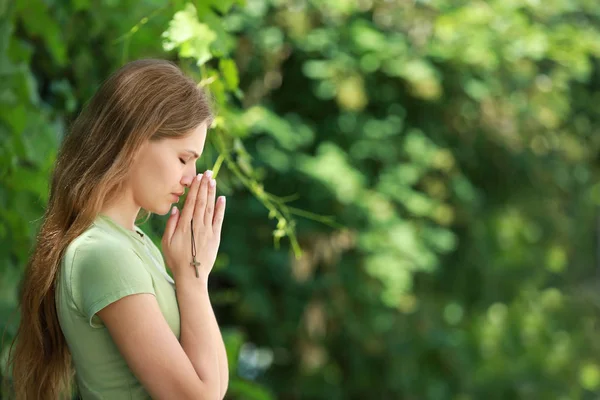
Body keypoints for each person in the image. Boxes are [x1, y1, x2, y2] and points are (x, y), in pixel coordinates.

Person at [6, 59, 229, 399]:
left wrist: (195, 277)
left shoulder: (135, 245)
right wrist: (191, 281)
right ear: (134, 141)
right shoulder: (103, 253)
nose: (191, 177)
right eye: (184, 158)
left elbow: (216, 384)